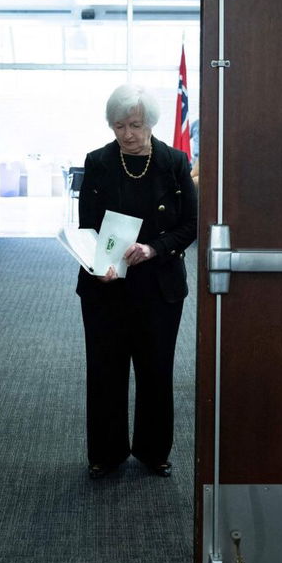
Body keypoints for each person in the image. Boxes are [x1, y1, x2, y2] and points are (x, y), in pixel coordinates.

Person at [76, 84, 198, 479]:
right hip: (105, 284)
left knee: (155, 370)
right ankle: (106, 454)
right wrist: (99, 262)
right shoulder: (97, 162)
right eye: (119, 126)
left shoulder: (176, 162)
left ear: (151, 123)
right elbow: (87, 226)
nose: (127, 134)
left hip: (158, 285)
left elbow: (190, 225)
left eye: (135, 125)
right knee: (105, 369)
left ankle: (153, 451)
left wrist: (154, 249)